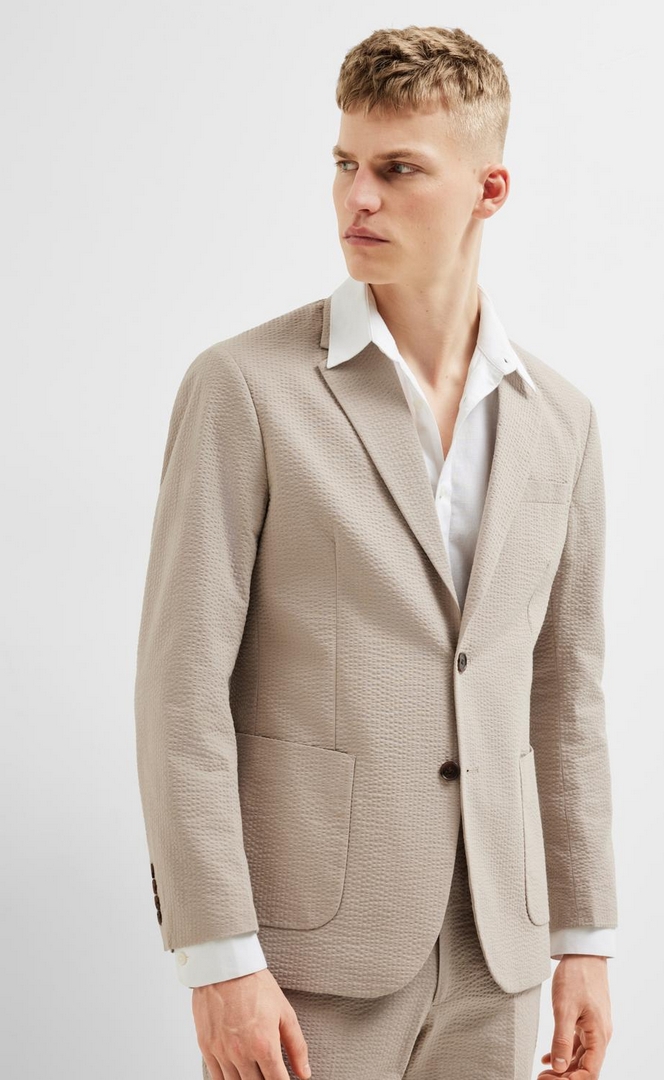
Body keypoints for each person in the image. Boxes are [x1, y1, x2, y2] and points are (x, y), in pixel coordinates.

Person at [134, 24, 618, 1080]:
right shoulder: (245, 388)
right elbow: (181, 689)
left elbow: (564, 695)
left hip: (499, 957)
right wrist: (219, 959)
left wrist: (582, 936)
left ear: (490, 190)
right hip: (304, 961)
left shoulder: (562, 422)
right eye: (345, 164)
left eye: (398, 170)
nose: (358, 199)